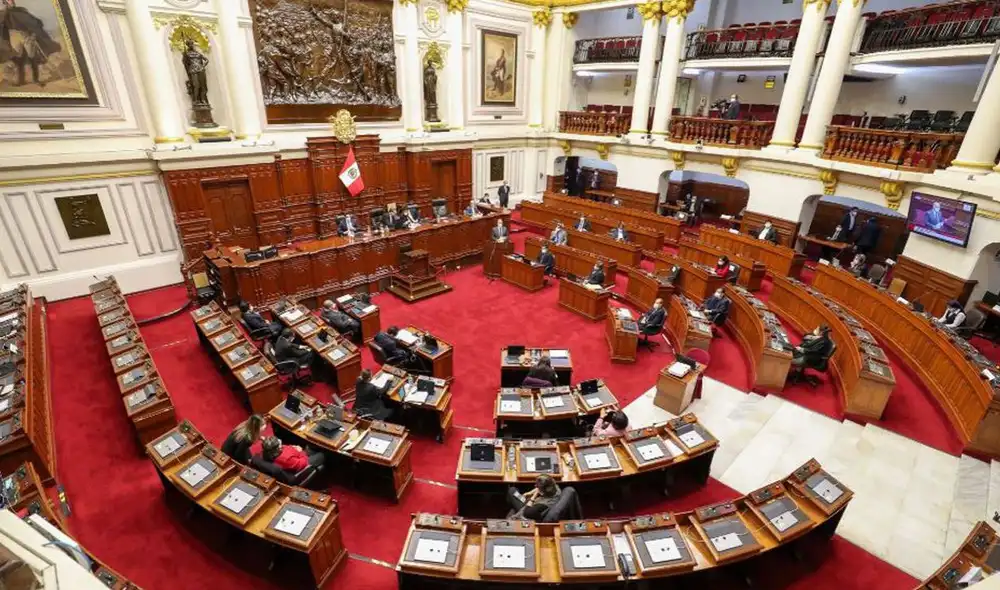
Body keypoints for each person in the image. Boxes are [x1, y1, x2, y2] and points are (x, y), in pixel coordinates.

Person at [258, 436, 324, 477]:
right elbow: (303, 463)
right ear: (278, 448)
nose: (280, 440)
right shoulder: (286, 460)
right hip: (303, 462)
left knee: (309, 446)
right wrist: (301, 452)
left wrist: (293, 448)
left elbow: (286, 448)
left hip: (297, 454)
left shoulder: (268, 451)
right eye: (279, 443)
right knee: (321, 455)